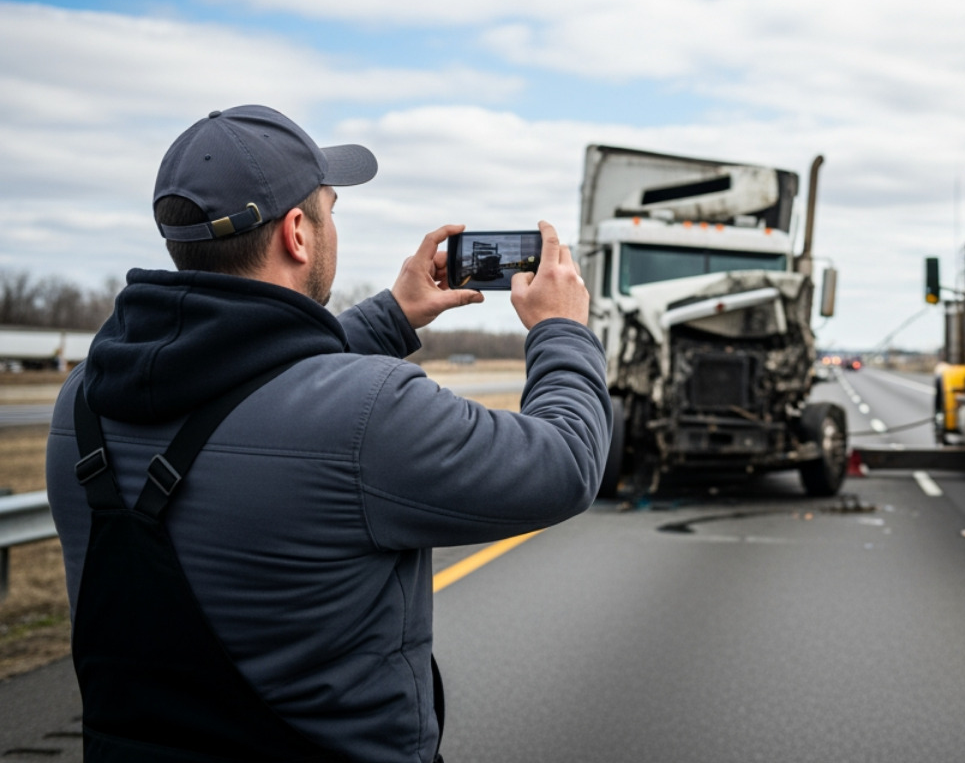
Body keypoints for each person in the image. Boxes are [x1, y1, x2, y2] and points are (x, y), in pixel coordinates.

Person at [45, 105, 610, 762]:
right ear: (297, 234)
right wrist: (562, 329)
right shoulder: (370, 414)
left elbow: (248, 381)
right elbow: (565, 464)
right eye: (331, 210)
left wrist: (390, 317)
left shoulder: (81, 399)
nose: (332, 226)